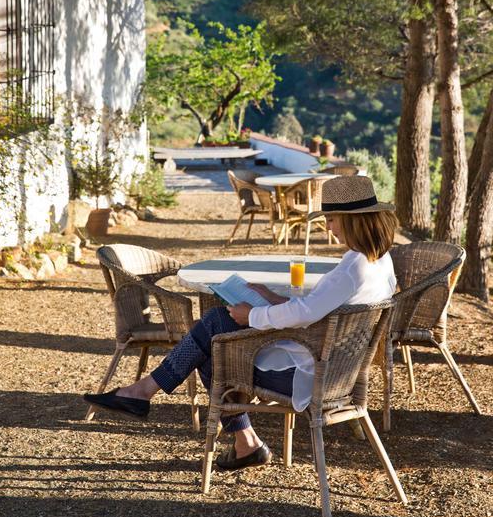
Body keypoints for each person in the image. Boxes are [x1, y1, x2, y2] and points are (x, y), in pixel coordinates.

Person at [84, 175, 398, 471]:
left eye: (331, 220)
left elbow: (306, 315)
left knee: (215, 335)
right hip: (339, 370)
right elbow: (320, 311)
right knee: (215, 336)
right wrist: (272, 299)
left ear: (353, 220)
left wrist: (253, 315)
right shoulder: (380, 262)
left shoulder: (352, 266)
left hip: (308, 375)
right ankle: (236, 438)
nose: (329, 228)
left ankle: (150, 395)